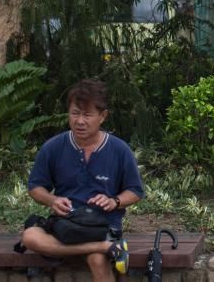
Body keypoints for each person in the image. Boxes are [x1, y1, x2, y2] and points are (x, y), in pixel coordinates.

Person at [20, 79, 144, 282]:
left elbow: (135, 191)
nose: (80, 121)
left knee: (97, 260)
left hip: (104, 226)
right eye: (75, 113)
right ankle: (107, 248)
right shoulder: (53, 147)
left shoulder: (119, 150)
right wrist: (52, 200)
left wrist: (114, 201)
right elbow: (35, 187)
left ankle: (103, 246)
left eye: (87, 115)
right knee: (30, 237)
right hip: (66, 225)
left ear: (102, 116)